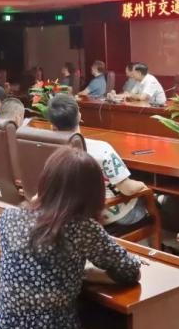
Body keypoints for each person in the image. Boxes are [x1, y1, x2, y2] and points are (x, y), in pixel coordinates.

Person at [0, 147, 141, 329]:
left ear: (45, 181)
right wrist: (88, 273)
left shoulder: (9, 217)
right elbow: (130, 270)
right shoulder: (82, 228)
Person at [48, 94, 149, 231]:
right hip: (107, 216)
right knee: (149, 198)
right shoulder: (101, 149)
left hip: (67, 216)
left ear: (53, 126)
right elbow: (128, 189)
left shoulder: (48, 151)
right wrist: (143, 185)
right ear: (79, 116)